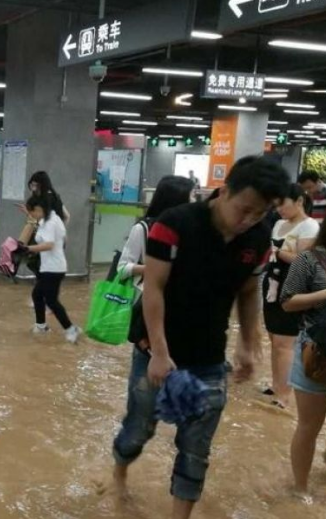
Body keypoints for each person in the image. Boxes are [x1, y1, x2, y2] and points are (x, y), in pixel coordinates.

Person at [112, 155, 289, 519]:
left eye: (259, 213)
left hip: (209, 359)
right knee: (138, 430)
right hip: (153, 351)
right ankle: (119, 475)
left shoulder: (257, 238)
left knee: (196, 449)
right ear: (224, 192)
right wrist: (160, 353)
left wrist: (246, 342)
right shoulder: (173, 224)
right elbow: (154, 288)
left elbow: (249, 289)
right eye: (244, 209)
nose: (249, 220)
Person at [262, 184, 319, 409]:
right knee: (274, 340)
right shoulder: (278, 224)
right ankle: (277, 385)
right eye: (276, 205)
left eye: (283, 204)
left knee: (285, 342)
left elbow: (302, 261)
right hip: (272, 283)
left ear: (299, 202)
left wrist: (278, 252)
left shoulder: (309, 226)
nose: (279, 209)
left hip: (294, 285)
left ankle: (284, 395)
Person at [280, 223, 326, 497]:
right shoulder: (308, 259)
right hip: (317, 353)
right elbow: (287, 302)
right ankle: (300, 489)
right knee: (309, 426)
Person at [23, 194, 82, 342]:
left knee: (51, 300)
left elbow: (49, 245)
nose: (31, 216)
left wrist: (28, 249)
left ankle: (71, 329)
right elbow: (63, 239)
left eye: (32, 213)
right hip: (49, 267)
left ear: (39, 209)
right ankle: (41, 326)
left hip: (54, 268)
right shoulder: (49, 220)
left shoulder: (50, 222)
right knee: (38, 295)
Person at [118, 176, 194, 290]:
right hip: (149, 294)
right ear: (178, 200)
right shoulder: (142, 229)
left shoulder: (190, 229)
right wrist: (154, 268)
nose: (194, 201)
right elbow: (122, 268)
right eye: (192, 196)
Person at [18, 171, 71, 244]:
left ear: (41, 185)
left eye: (34, 184)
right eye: (31, 184)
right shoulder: (52, 197)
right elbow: (67, 216)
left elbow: (36, 221)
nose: (32, 187)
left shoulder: (49, 199)